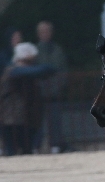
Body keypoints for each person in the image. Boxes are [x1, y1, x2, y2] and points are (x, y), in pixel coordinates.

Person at [0, 42, 55, 156]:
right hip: (11, 119)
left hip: (25, 119)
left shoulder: (21, 71)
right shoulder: (13, 71)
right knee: (13, 151)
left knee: (26, 150)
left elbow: (49, 69)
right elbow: (39, 70)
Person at [35, 21, 67, 154]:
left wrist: (58, 86)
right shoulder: (35, 51)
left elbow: (62, 70)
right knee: (38, 122)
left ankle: (55, 145)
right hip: (39, 94)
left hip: (54, 92)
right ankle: (36, 146)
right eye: (42, 31)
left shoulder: (57, 50)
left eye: (47, 31)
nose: (45, 34)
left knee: (55, 120)